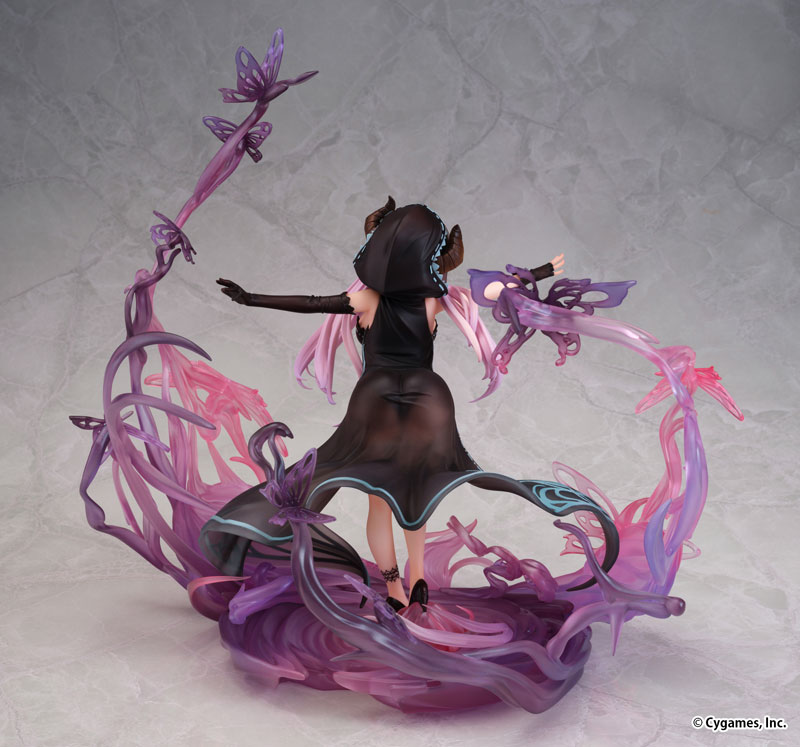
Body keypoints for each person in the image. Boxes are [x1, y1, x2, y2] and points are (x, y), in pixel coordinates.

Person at [199, 198, 602, 611]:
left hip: (377, 400)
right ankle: (420, 580)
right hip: (430, 399)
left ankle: (394, 591)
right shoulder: (437, 300)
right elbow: (497, 289)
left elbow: (313, 302)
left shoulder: (367, 301)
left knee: (379, 497)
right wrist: (540, 272)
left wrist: (251, 298)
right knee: (416, 488)